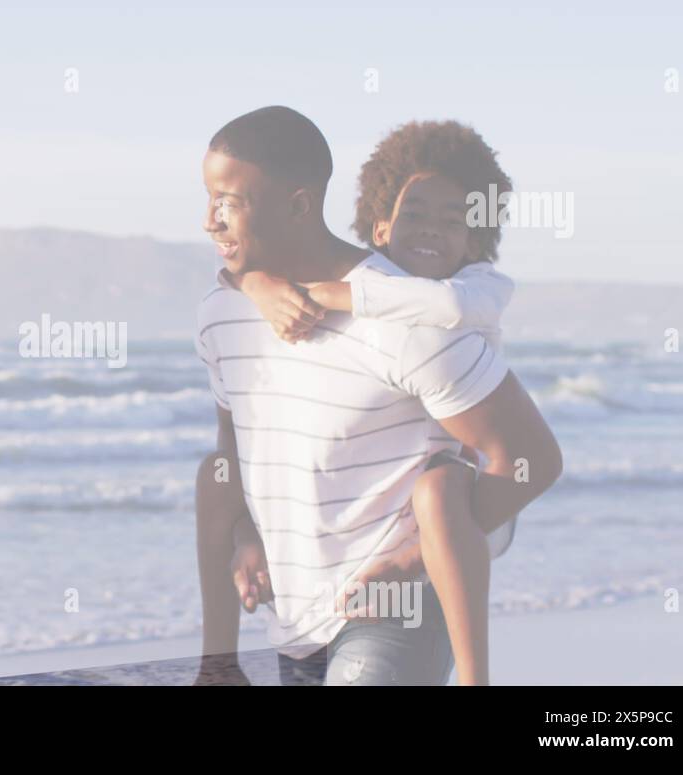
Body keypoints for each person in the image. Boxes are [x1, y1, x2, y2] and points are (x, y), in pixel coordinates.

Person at [193, 107, 562, 685]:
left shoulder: (409, 316)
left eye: (229, 203)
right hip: (295, 617)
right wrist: (245, 530)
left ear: (296, 204)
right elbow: (232, 446)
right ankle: (216, 671)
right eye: (209, 200)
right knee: (211, 472)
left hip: (397, 610)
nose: (211, 222)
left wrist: (411, 562)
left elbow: (530, 461)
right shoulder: (223, 314)